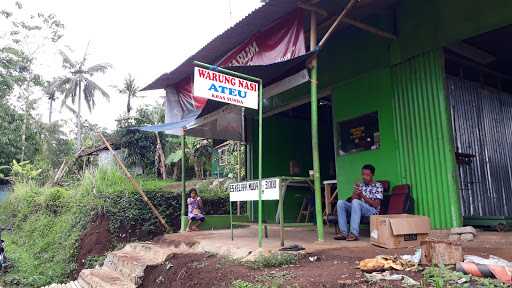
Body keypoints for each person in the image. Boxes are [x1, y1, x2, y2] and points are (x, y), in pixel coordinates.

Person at [334, 164, 383, 241]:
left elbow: (376, 205)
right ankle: (343, 233)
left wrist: (362, 195)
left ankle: (354, 233)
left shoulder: (378, 186)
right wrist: (355, 192)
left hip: (372, 211)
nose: (364, 177)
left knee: (357, 202)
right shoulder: (361, 185)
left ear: (372, 175)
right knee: (340, 203)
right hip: (359, 208)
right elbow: (354, 200)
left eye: (367, 175)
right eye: (363, 174)